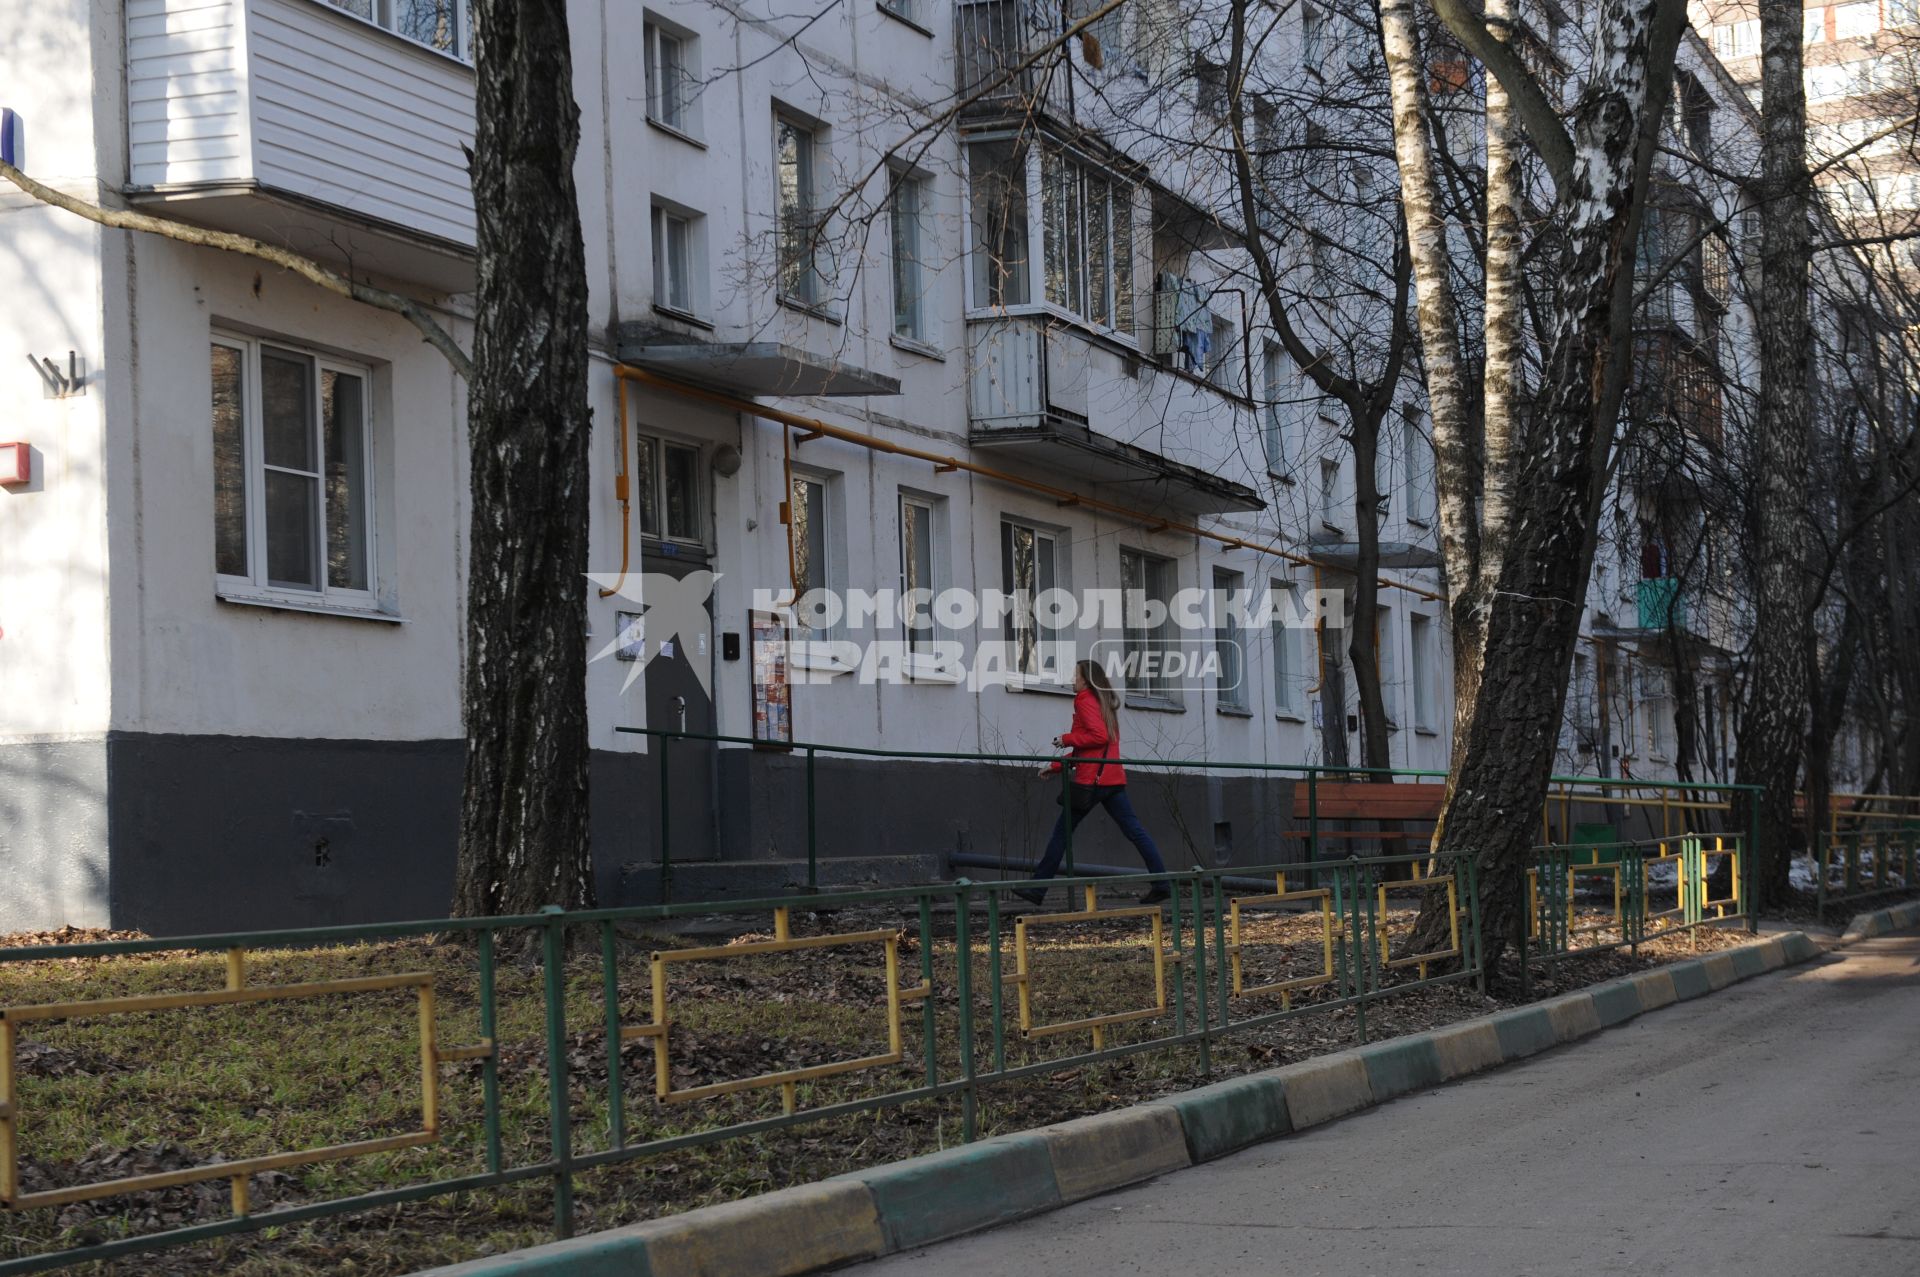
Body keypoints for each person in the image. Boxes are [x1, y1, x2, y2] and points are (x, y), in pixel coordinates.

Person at [1017, 659, 1170, 906]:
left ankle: (1037, 889)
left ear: (1086, 679)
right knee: (1136, 833)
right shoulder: (1104, 703)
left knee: (1060, 835)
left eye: (1075, 675)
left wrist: (1066, 738)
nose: (1072, 680)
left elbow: (1097, 737)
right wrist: (1056, 767)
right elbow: (1094, 749)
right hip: (1112, 779)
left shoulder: (1085, 699)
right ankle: (1162, 884)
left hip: (1092, 783)